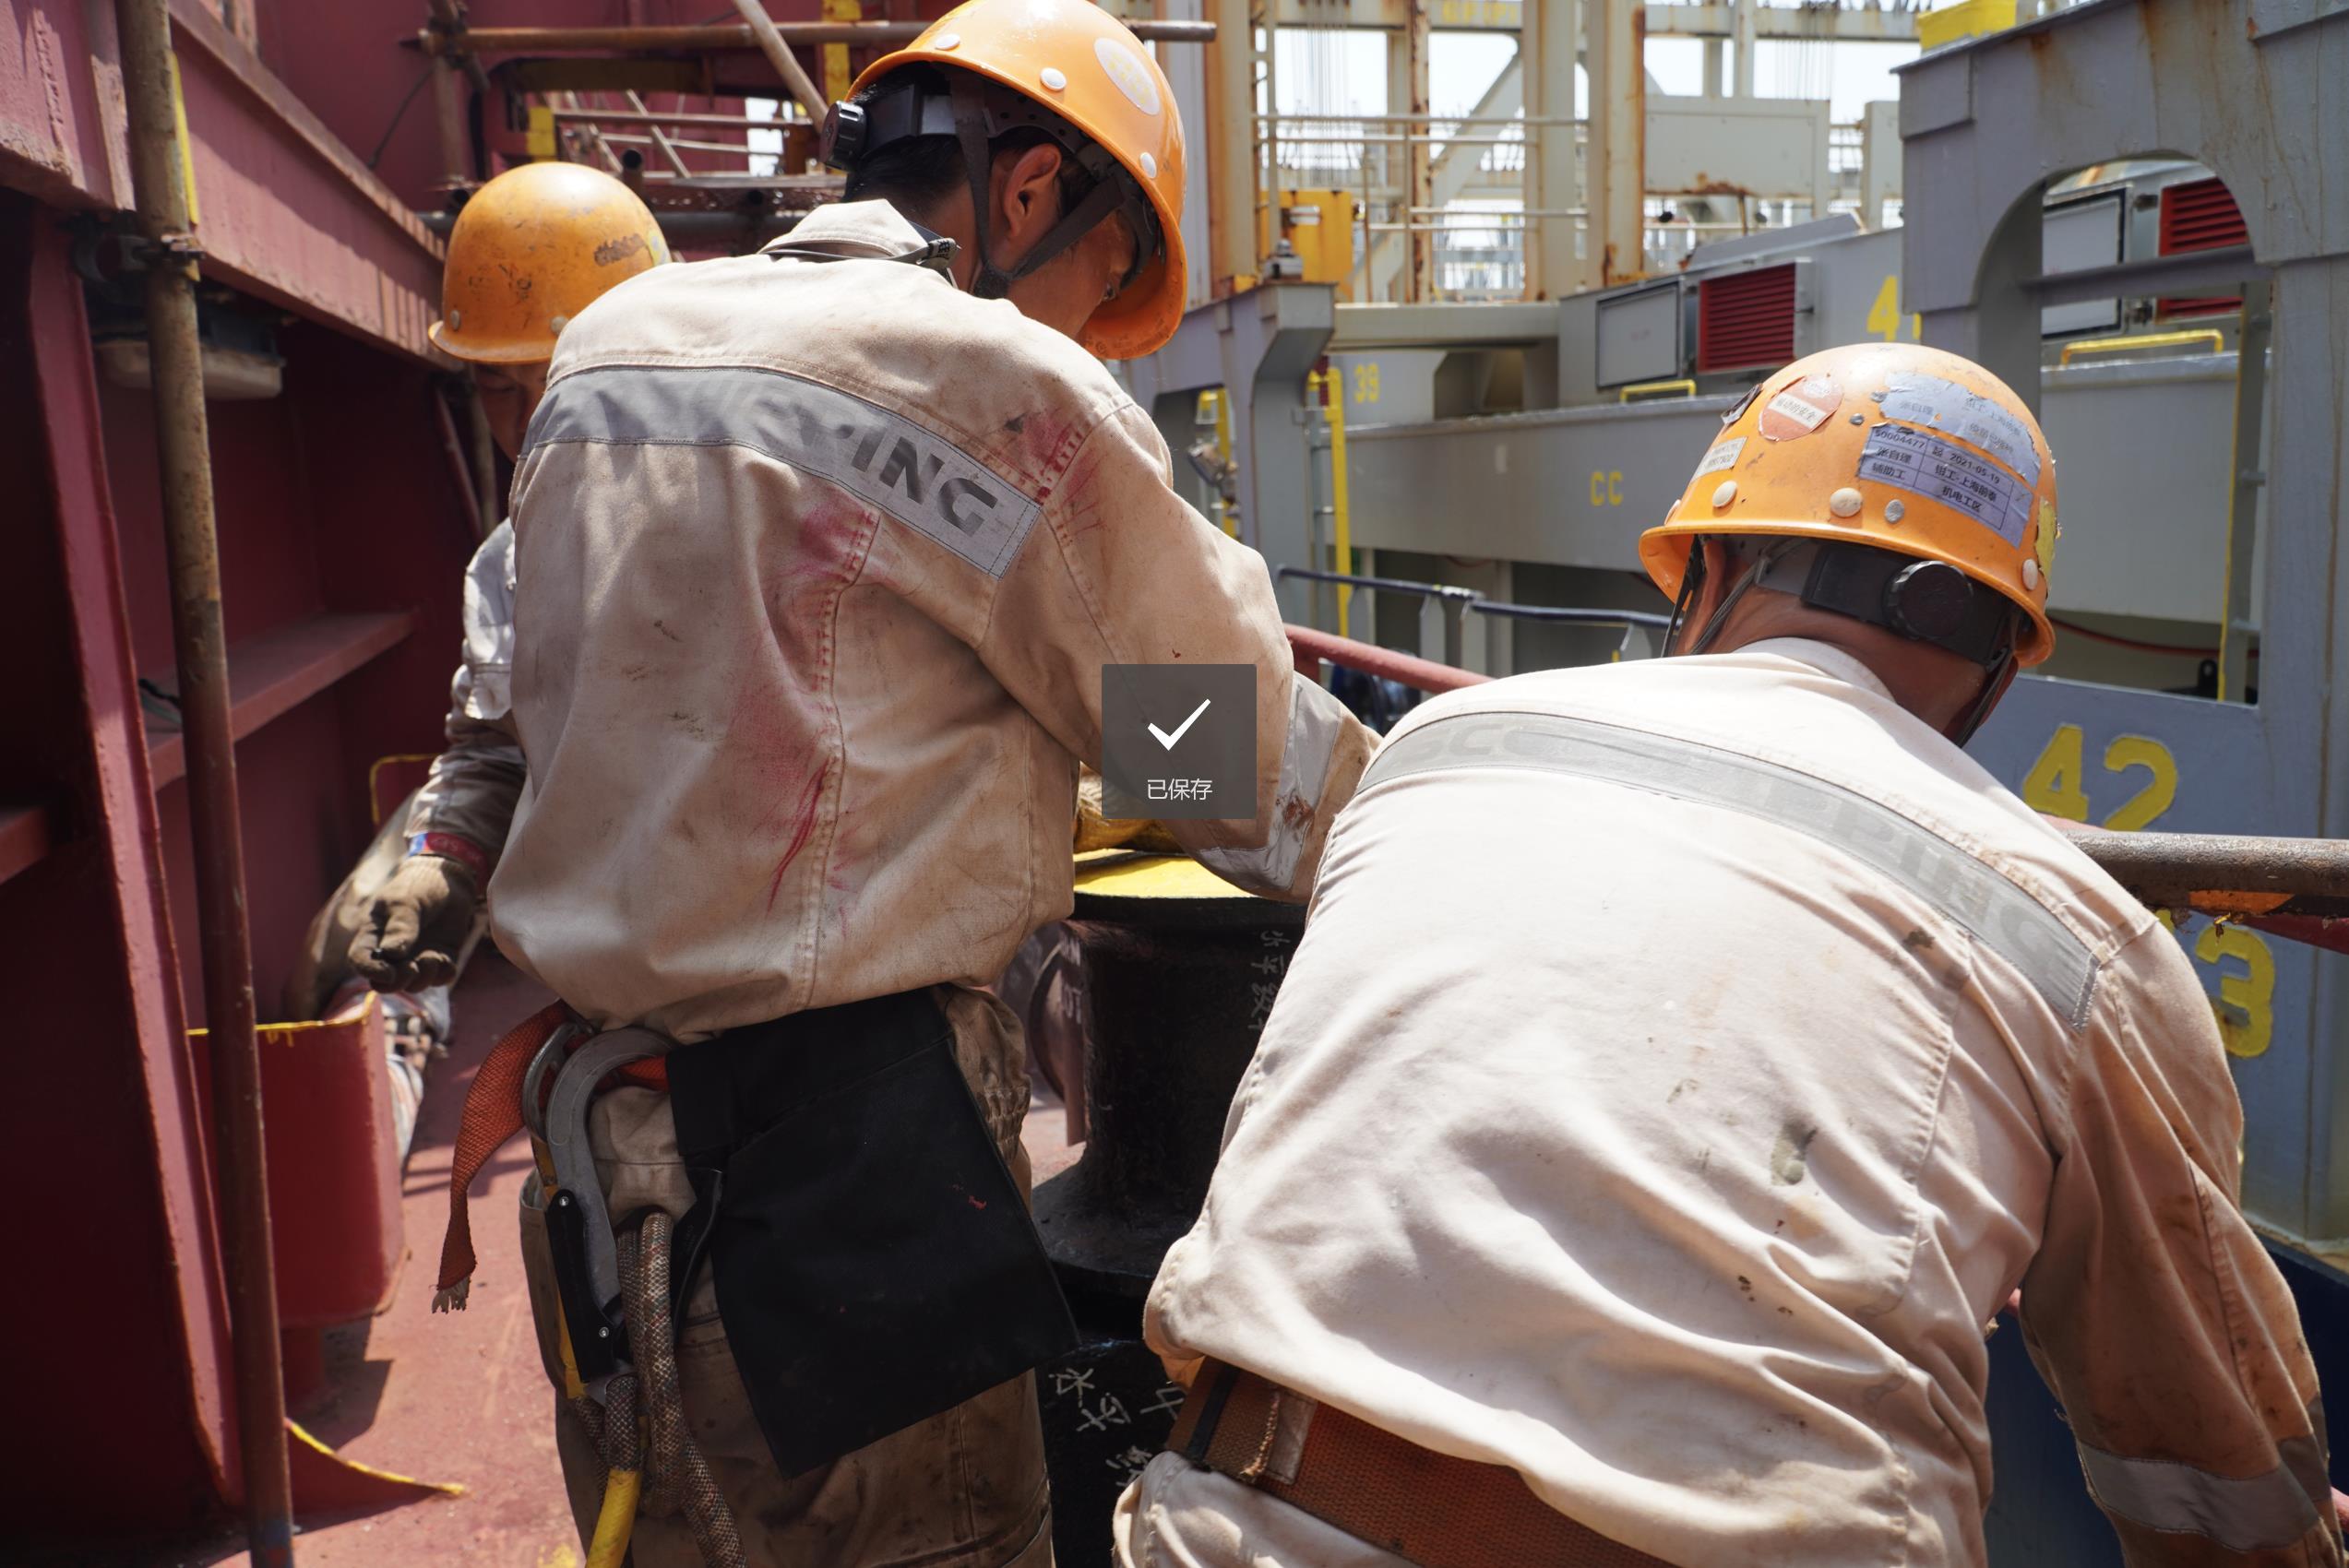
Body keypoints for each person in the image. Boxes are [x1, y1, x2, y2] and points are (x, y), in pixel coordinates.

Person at [1117, 343, 2343, 1568]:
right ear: (1992, 670)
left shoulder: (1435, 744)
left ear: (1702, 568)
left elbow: (1208, 762)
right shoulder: (2083, 941)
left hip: (1233, 1521)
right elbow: (2218, 1472)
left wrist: (1125, 771)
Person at [480, 0, 1378, 1562]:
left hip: (604, 1173)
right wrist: (1412, 835)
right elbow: (1209, 748)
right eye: (1106, 275)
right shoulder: (984, 377)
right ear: (1029, 189)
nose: (1089, 333)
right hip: (850, 1187)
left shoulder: (608, 349)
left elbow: (529, 679)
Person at [281, 160, 668, 1149]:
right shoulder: (510, 565)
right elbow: (494, 750)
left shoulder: (767, 513)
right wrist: (444, 865)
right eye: (499, 387)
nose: (531, 424)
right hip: (636, 992)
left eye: (561, 385)